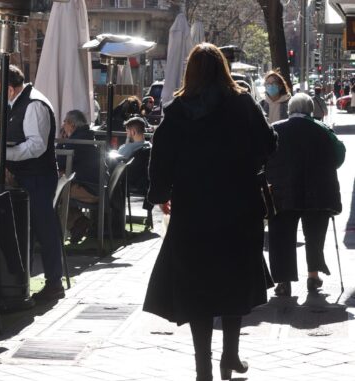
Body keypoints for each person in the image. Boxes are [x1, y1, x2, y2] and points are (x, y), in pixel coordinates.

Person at [143, 43, 277, 381]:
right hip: (238, 208)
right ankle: (229, 356)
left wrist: (161, 194)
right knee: (233, 282)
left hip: (193, 212)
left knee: (197, 288)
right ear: (223, 69)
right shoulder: (243, 103)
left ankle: (203, 369)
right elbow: (268, 144)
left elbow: (160, 159)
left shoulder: (176, 111)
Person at [0, 65, 65, 301]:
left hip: (38, 176)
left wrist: (4, 154)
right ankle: (23, 282)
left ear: (10, 90)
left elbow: (36, 145)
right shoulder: (21, 102)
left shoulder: (34, 104)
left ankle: (54, 282)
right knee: (29, 228)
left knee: (44, 228)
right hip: (28, 175)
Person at [266, 93, 344, 297]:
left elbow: (264, 157)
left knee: (282, 236)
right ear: (311, 110)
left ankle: (283, 281)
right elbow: (339, 156)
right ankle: (313, 275)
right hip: (318, 191)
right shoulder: (323, 129)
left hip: (283, 191)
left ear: (290, 109)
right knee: (315, 235)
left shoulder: (276, 129)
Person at [56, 110, 101, 244]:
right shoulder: (85, 136)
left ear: (71, 124)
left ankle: (77, 223)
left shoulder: (77, 139)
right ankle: (78, 222)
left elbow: (61, 160)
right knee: (57, 189)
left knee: (51, 192)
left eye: (64, 122)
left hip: (89, 189)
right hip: (93, 186)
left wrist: (61, 141)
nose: (63, 125)